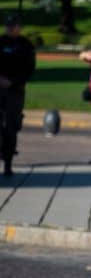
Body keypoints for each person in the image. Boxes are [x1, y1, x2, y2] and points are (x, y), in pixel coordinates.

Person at [0, 14, 36, 177]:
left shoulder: (26, 45)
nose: (10, 28)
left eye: (13, 26)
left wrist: (13, 82)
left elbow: (29, 69)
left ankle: (8, 163)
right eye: (8, 26)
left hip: (15, 91)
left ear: (19, 28)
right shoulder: (1, 42)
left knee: (11, 126)